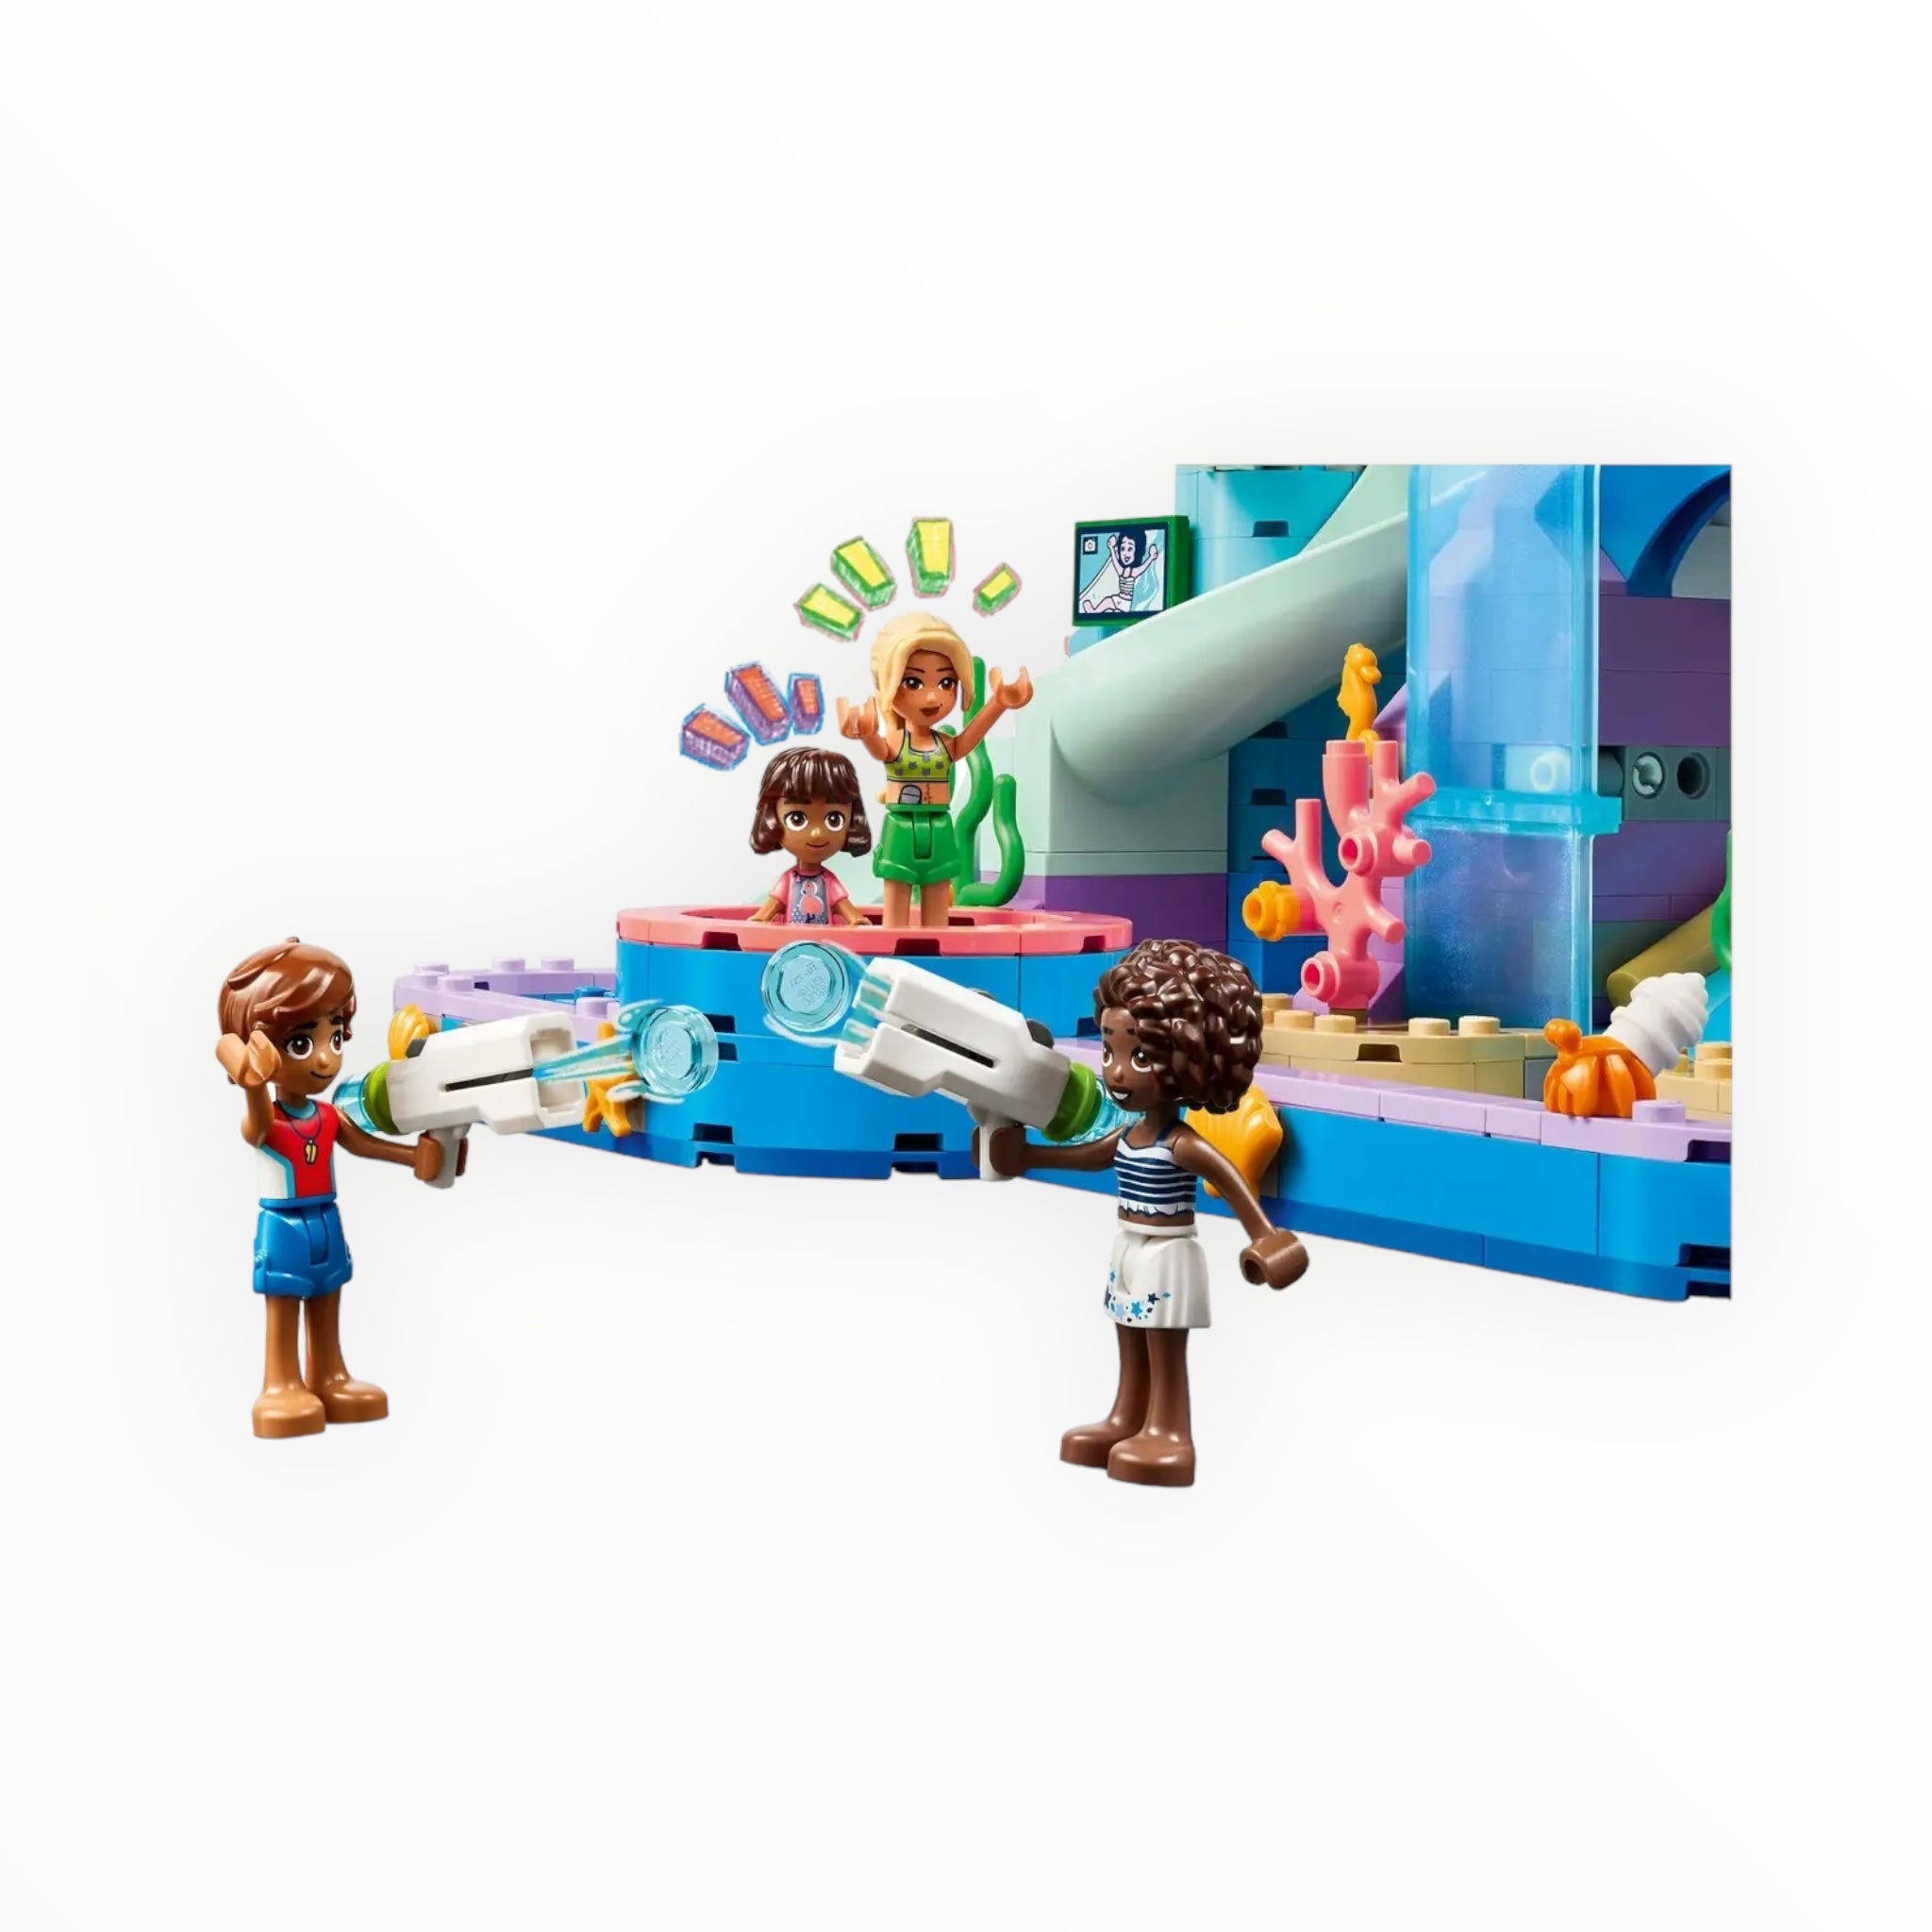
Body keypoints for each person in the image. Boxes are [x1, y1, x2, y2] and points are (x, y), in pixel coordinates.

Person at [983, 938, 1308, 1488]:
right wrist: (1027, 1157)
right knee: (1128, 1334)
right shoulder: (1130, 1135)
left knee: (1163, 1344)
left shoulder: (1182, 1142)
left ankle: (1171, 1432)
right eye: (1109, 1052)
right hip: (1129, 1245)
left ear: (1189, 1061)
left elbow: (1230, 1181)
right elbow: (1091, 1156)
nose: (1116, 1073)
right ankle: (1127, 1417)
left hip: (1168, 1253)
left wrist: (1265, 1236)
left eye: (1138, 1057)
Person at [215, 938, 450, 1439]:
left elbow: (362, 1143)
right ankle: (280, 1383)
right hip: (283, 1225)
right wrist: (253, 1083)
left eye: (336, 1036)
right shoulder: (268, 1121)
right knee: (284, 1304)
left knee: (326, 1297)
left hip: (326, 1219)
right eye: (302, 1044)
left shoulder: (326, 1115)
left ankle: (328, 1375)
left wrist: (415, 1158)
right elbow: (257, 1126)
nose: (326, 1057)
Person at [837, 612, 1032, 929]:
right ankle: (893, 948)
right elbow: (879, 749)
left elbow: (969, 739)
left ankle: (937, 948)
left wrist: (999, 703)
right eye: (913, 682)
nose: (932, 696)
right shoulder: (896, 742)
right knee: (896, 895)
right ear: (888, 684)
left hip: (940, 825)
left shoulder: (944, 743)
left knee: (938, 895)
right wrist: (866, 732)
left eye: (946, 683)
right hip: (901, 825)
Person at [746, 746, 873, 926]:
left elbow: (842, 904)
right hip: (791, 939)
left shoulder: (828, 881)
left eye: (834, 819)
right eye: (797, 819)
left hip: (826, 940)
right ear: (772, 817)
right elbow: (774, 904)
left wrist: (856, 920)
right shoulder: (789, 880)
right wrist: (762, 918)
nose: (816, 833)